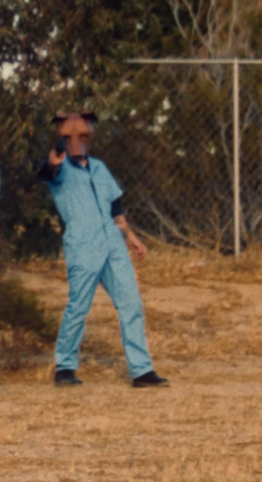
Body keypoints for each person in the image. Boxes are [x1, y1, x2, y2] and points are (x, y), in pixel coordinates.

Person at [37, 112, 167, 389]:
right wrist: (55, 157)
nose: (77, 141)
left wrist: (131, 237)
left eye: (82, 135)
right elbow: (47, 171)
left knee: (131, 302)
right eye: (69, 136)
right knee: (79, 305)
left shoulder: (99, 167)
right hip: (82, 245)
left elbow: (115, 209)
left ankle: (141, 370)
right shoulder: (59, 170)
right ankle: (65, 366)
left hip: (112, 244)